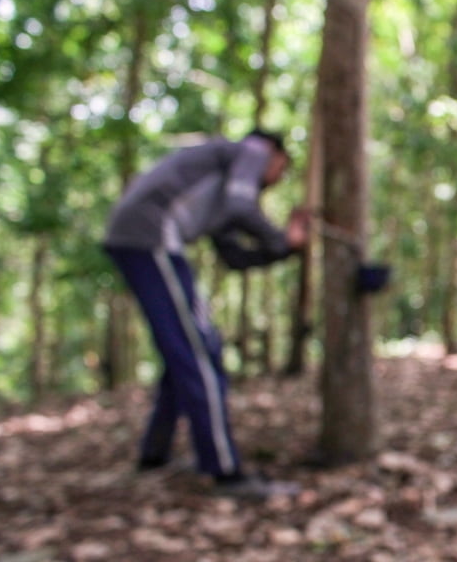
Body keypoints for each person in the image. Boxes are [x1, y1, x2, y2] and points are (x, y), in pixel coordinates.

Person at [103, 129, 309, 499]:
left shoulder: (222, 183)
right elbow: (242, 209)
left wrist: (284, 249)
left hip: (144, 239)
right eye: (283, 170)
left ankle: (155, 453)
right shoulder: (253, 151)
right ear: (275, 155)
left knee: (190, 348)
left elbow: (234, 257)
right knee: (199, 352)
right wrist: (283, 238)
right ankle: (225, 472)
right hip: (151, 235)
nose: (277, 180)